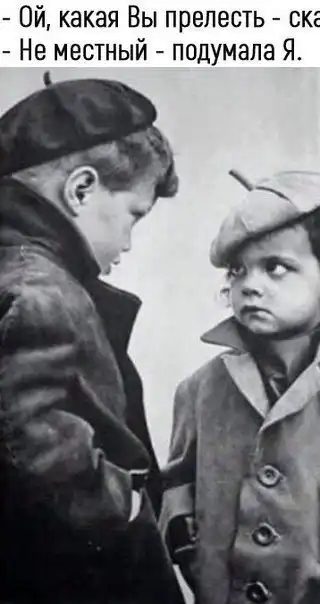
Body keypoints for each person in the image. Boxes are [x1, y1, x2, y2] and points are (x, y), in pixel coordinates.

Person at [160, 170, 320, 604]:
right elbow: (178, 484)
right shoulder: (200, 388)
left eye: (276, 267)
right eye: (238, 270)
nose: (249, 286)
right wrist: (193, 559)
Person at [0, 73, 185, 604]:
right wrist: (120, 501)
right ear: (81, 190)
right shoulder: (41, 291)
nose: (128, 242)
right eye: (133, 216)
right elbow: (30, 432)